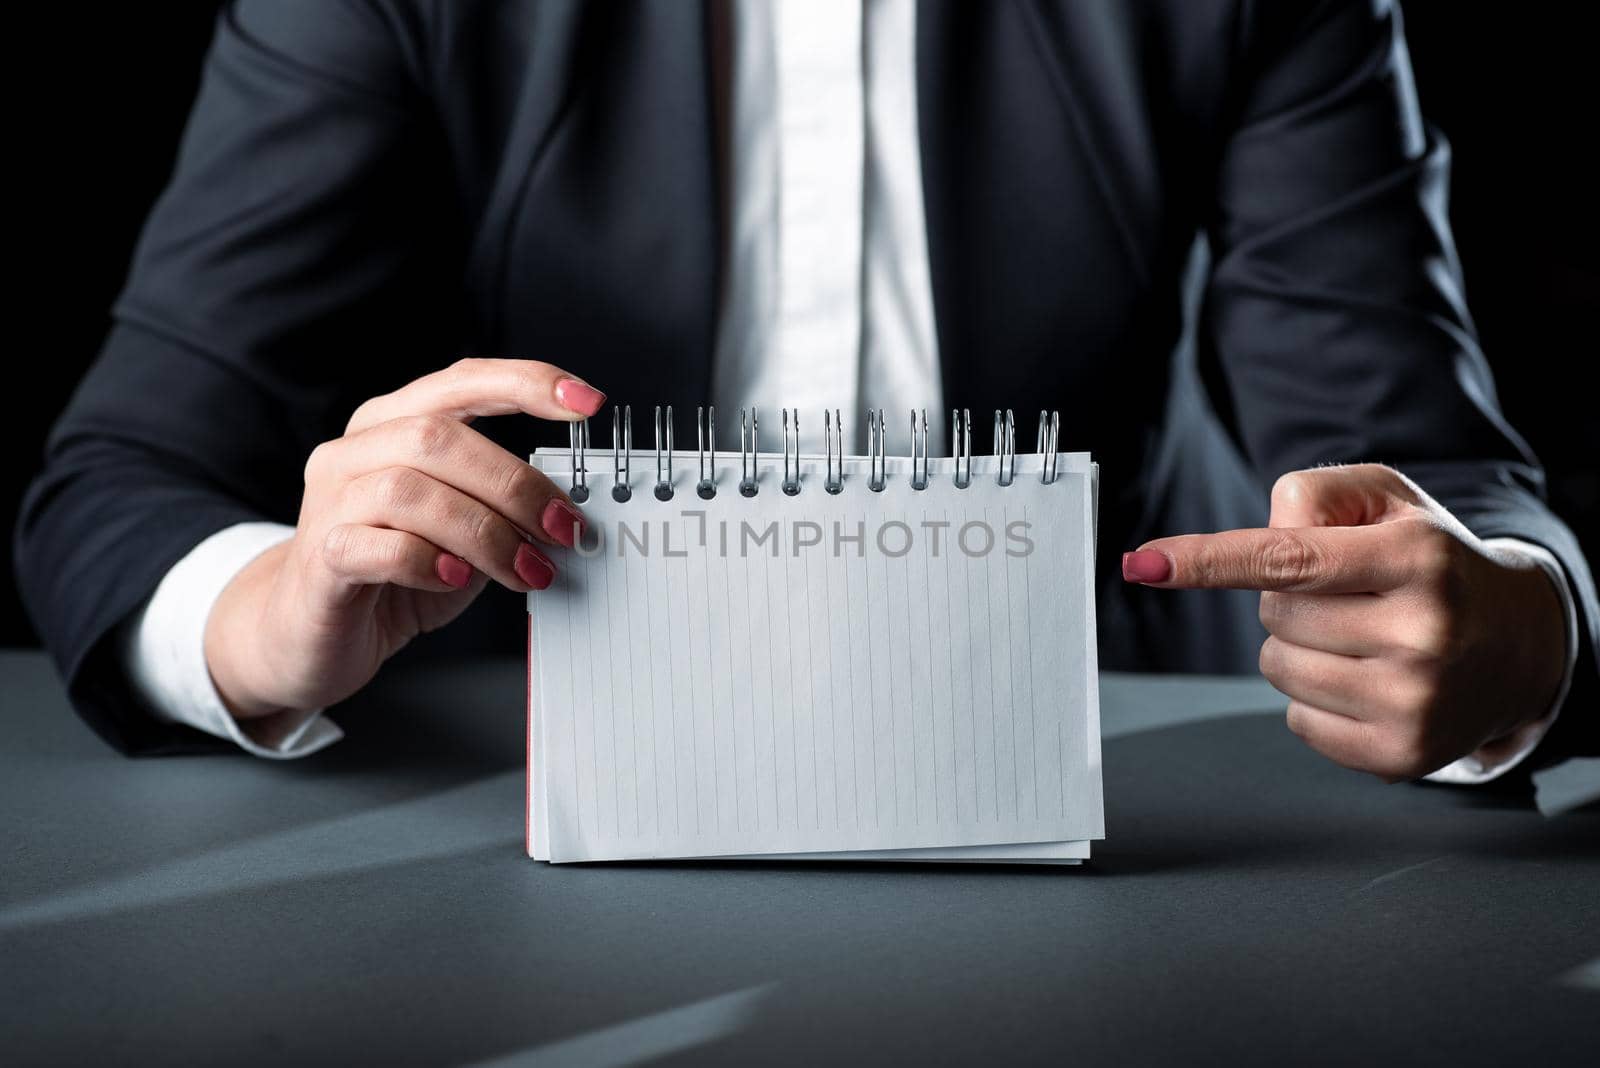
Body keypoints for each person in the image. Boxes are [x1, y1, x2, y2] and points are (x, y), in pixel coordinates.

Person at [16, 0, 1594, 783]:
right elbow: (122, 479)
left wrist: (1524, 634)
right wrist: (268, 613)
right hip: (541, 780)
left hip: (1131, 773)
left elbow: (1432, 481)